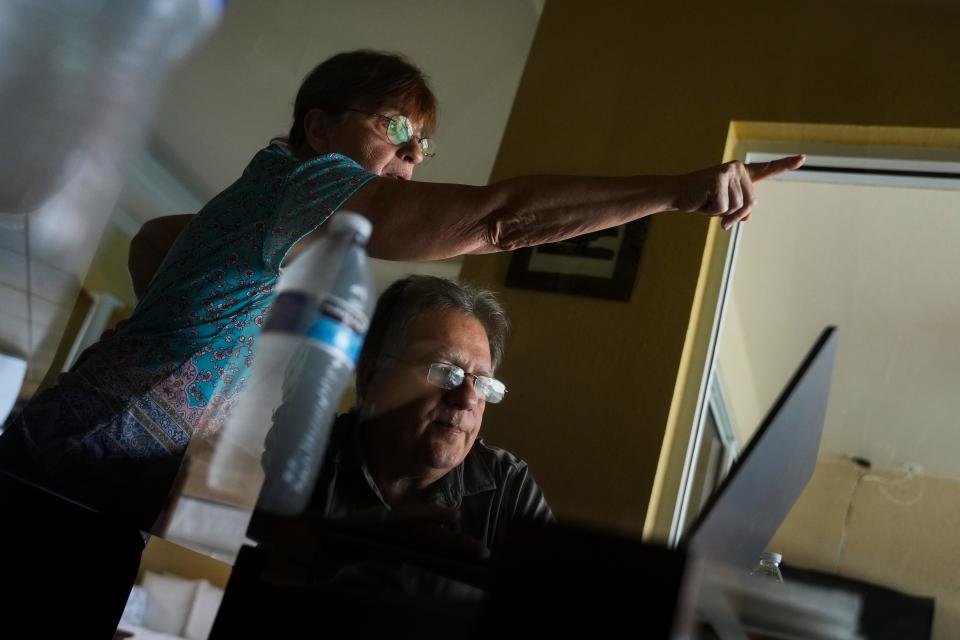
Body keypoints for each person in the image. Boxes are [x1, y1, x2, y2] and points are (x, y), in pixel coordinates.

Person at [0, 49, 802, 636]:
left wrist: (188, 324)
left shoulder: (271, 208)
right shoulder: (304, 179)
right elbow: (501, 221)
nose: (412, 159)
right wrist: (672, 192)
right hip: (71, 479)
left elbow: (155, 238)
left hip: (112, 486)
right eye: (397, 130)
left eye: (422, 147)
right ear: (319, 126)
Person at [272, 276, 552, 558]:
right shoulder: (302, 454)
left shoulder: (508, 487)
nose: (467, 399)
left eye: (482, 382)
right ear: (371, 377)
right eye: (444, 371)